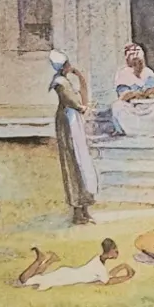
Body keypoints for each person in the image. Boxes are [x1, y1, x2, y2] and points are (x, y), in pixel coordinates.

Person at [49, 51, 97, 226]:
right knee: (73, 164)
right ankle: (77, 210)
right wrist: (82, 108)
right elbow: (71, 101)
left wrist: (81, 78)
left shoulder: (65, 81)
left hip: (74, 122)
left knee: (82, 163)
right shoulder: (60, 83)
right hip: (68, 124)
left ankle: (85, 208)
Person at [17, 239, 133, 290]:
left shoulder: (97, 259)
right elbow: (109, 281)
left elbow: (108, 275)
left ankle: (47, 260)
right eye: (116, 251)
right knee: (23, 280)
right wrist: (128, 276)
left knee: (37, 278)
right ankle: (40, 260)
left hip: (68, 273)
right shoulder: (100, 267)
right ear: (110, 252)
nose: (118, 253)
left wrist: (123, 266)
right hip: (67, 277)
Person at [112, 43, 154, 138]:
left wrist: (149, 91)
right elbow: (123, 95)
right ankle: (128, 131)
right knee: (117, 106)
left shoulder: (148, 72)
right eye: (132, 54)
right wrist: (135, 93)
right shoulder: (123, 73)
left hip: (149, 105)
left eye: (138, 52)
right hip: (131, 107)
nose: (138, 64)